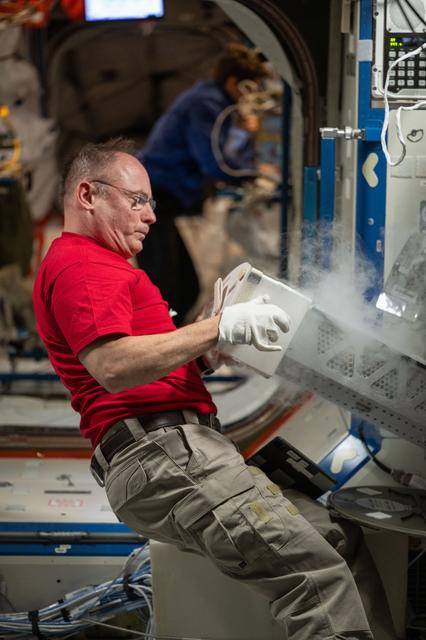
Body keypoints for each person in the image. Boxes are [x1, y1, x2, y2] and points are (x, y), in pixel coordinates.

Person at [32, 139, 373, 640]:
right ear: (87, 194)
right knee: (315, 577)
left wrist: (210, 351)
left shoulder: (107, 268)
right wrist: (218, 328)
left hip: (178, 453)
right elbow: (112, 365)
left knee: (339, 542)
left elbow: (146, 361)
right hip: (166, 455)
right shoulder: (84, 265)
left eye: (152, 202)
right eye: (137, 200)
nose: (150, 215)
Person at [136, 42, 269, 324]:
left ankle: (169, 345)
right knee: (166, 288)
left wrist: (243, 137)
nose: (253, 95)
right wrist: (256, 175)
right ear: (233, 81)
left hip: (164, 202)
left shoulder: (217, 105)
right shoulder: (206, 104)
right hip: (153, 197)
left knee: (185, 288)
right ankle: (155, 347)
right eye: (250, 87)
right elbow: (216, 163)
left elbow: (224, 155)